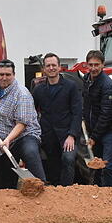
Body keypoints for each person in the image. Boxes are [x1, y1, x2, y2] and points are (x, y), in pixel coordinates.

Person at [0, 59, 46, 188]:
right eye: (1, 74)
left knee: (30, 152)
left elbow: (22, 124)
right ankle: (10, 197)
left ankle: (41, 185)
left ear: (14, 75)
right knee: (5, 178)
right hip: (0, 139)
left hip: (23, 136)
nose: (4, 78)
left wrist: (8, 140)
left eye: (8, 75)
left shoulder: (22, 94)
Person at [32, 53, 82, 187]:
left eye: (54, 65)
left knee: (68, 158)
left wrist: (72, 135)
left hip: (67, 134)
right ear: (44, 69)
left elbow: (77, 113)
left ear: (60, 67)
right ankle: (55, 193)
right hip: (48, 135)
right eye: (48, 65)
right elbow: (32, 113)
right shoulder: (38, 90)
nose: (51, 68)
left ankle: (66, 190)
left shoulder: (71, 87)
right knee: (52, 164)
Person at [82, 50, 112, 187]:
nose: (93, 68)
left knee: (107, 166)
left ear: (103, 65)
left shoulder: (107, 85)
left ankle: (110, 194)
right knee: (95, 165)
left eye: (96, 65)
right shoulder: (87, 80)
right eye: (90, 65)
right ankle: (97, 193)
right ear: (87, 65)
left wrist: (94, 137)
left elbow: (107, 114)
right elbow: (87, 104)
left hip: (110, 131)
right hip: (95, 131)